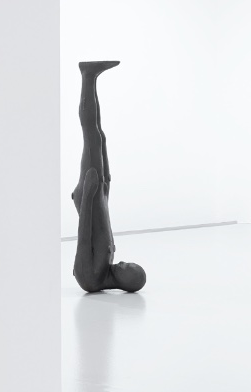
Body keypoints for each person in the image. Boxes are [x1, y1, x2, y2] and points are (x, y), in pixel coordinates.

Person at [71, 60, 146, 293]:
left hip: (90, 192)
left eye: (129, 267)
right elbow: (104, 222)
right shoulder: (108, 267)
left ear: (126, 282)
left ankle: (87, 75)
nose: (125, 262)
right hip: (100, 191)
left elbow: (84, 238)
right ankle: (93, 77)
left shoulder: (91, 279)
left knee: (91, 136)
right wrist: (106, 186)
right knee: (101, 136)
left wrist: (88, 193)